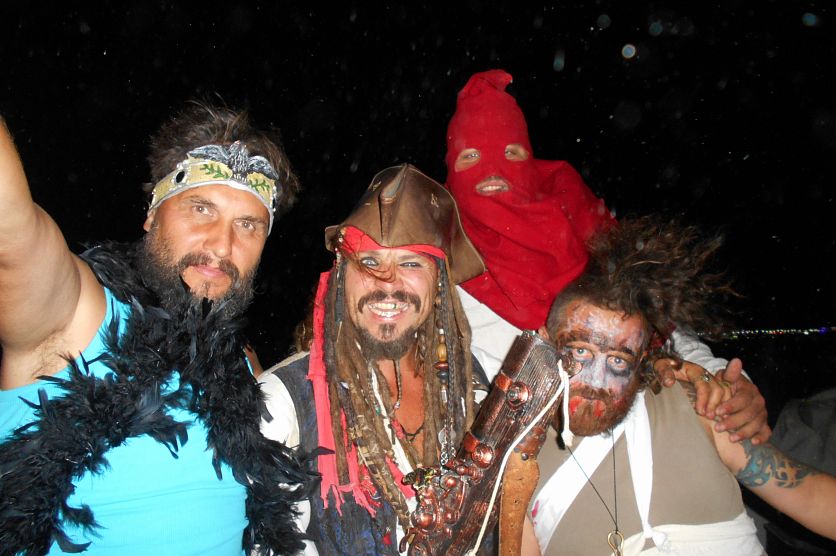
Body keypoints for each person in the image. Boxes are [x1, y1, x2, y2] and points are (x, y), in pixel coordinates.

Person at [0, 103, 313, 554]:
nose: (222, 245)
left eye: (247, 225)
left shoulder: (240, 366)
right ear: (152, 213)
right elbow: (11, 229)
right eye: (201, 208)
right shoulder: (74, 317)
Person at [444, 69, 770, 444]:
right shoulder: (434, 265)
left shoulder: (587, 234)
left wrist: (725, 382)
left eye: (510, 154)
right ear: (450, 172)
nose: (492, 172)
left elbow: (660, 323)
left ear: (531, 163)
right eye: (470, 157)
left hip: (631, 436)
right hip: (517, 458)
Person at [522, 217, 836, 555]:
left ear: (642, 358)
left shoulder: (692, 405)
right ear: (544, 342)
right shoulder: (515, 460)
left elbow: (810, 496)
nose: (597, 383)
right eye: (580, 352)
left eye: (618, 361)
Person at [259, 163, 491, 554]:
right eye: (369, 262)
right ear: (340, 277)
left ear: (438, 284)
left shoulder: (474, 382)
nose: (387, 282)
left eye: (410, 263)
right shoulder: (282, 403)